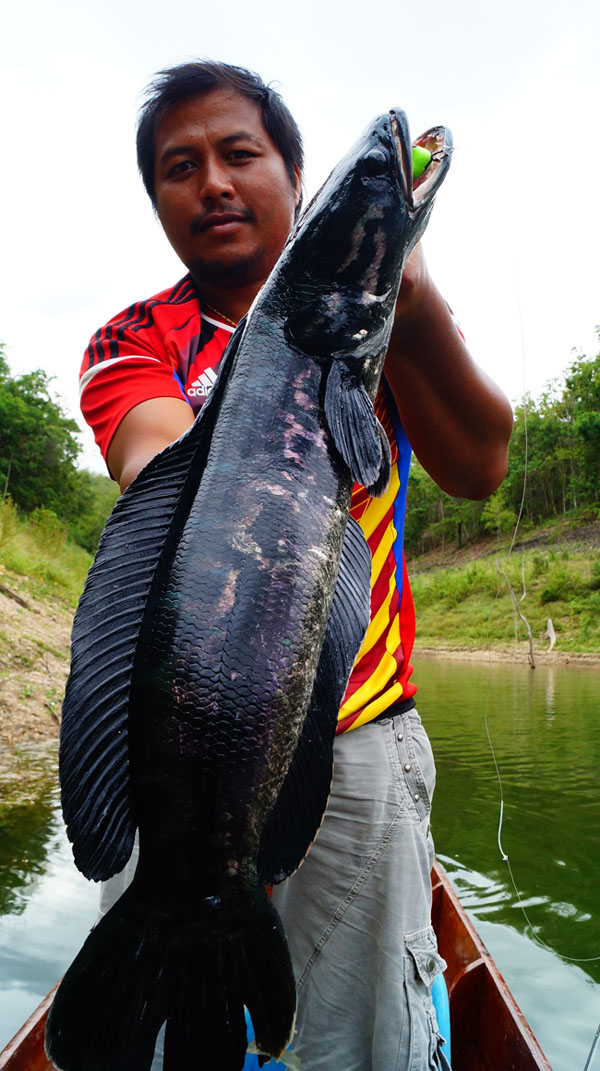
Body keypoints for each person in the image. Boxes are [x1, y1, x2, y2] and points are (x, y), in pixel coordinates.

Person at [82, 60, 513, 1071]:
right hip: (177, 758)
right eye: (180, 168)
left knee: (364, 1041)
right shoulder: (132, 339)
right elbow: (157, 460)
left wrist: (404, 293)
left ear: (294, 172)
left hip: (361, 737)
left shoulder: (373, 324)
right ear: (157, 201)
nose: (215, 184)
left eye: (240, 154)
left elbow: (478, 464)